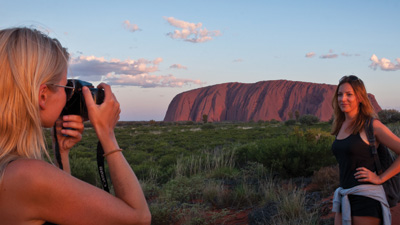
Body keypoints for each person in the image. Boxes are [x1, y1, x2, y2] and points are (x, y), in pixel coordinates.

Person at [0, 27, 151, 224]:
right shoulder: (26, 176)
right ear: (43, 96)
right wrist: (107, 134)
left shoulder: (11, 170)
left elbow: (54, 211)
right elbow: (139, 218)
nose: (69, 95)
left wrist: (61, 154)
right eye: (66, 86)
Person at [331, 75, 400, 225]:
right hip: (344, 196)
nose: (343, 99)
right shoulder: (340, 127)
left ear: (360, 98)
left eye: (349, 94)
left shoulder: (371, 125)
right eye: (340, 94)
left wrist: (380, 178)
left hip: (366, 199)